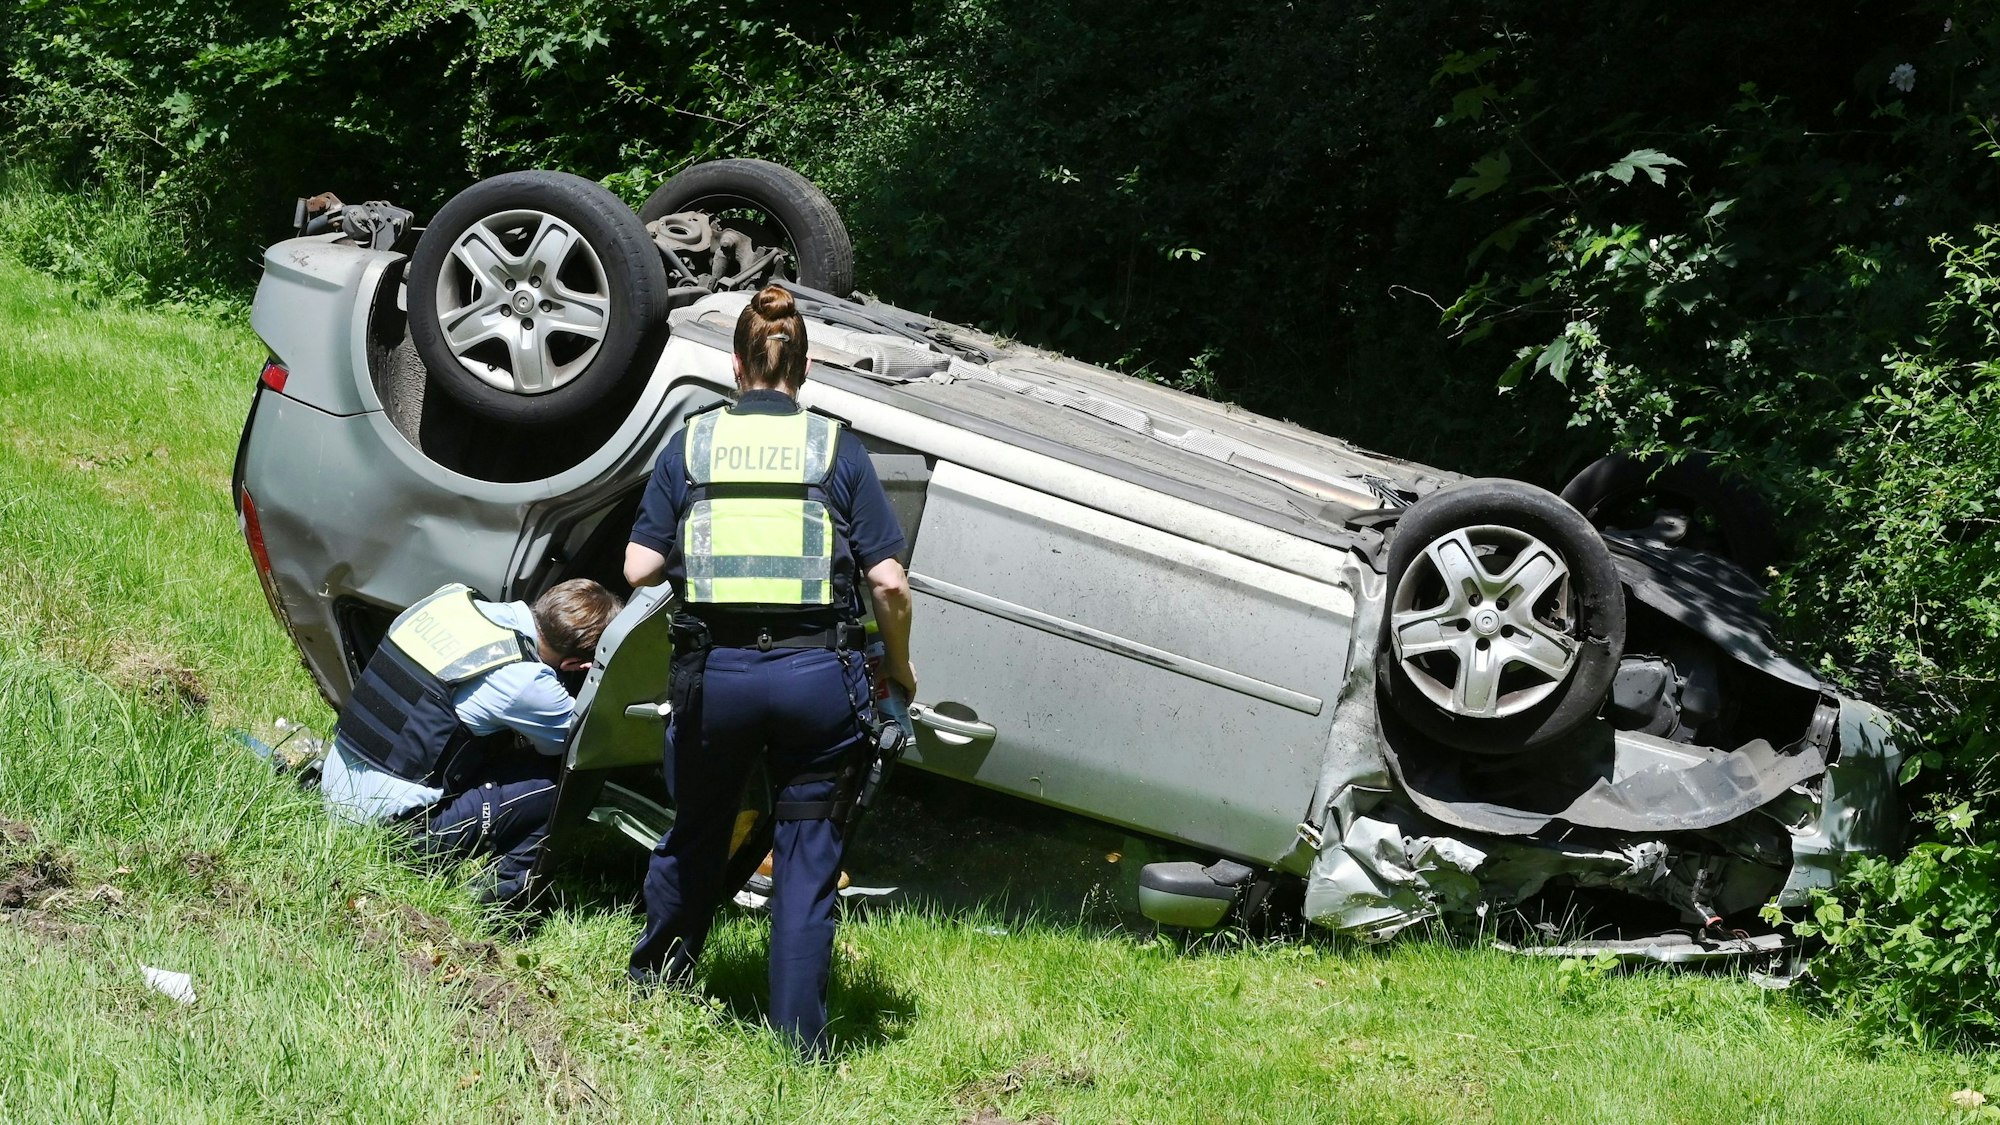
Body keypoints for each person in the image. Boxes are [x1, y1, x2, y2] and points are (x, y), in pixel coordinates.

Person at [623, 283, 915, 1058]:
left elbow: (638, 566)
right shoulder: (836, 449)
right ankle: (796, 1046)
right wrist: (903, 674)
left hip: (715, 678)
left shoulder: (692, 443)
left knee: (696, 835)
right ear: (805, 366)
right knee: (808, 858)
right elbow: (888, 581)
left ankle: (656, 989)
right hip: (818, 680)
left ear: (735, 365)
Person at [321, 578, 624, 905]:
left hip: (336, 790)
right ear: (574, 666)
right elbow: (578, 748)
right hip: (391, 836)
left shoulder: (449, 598)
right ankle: (498, 903)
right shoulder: (528, 681)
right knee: (567, 780)